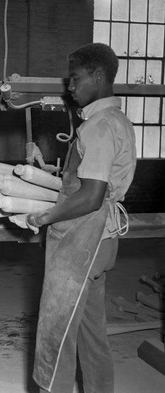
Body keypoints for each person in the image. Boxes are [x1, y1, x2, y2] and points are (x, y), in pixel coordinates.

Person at [24, 43, 137, 393]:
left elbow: (91, 196)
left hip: (82, 239)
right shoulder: (117, 120)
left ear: (99, 76)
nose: (69, 87)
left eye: (75, 79)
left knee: (56, 330)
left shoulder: (99, 127)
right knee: (91, 331)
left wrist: (45, 216)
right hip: (101, 240)